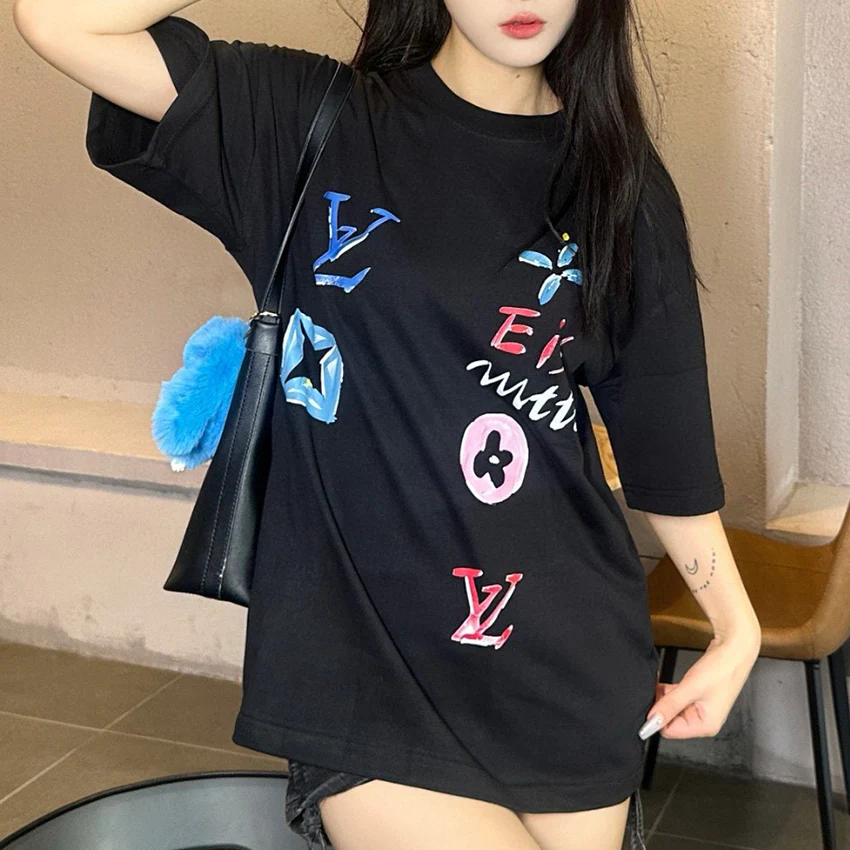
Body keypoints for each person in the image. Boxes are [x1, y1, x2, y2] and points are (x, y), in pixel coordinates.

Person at [14, 0, 762, 848]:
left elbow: (665, 440)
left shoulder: (619, 181)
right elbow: (59, 21)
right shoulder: (309, 119)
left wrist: (736, 627)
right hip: (365, 672)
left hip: (567, 674)